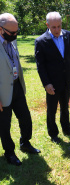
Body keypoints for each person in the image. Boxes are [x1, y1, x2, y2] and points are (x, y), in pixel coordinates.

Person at [0, 13, 40, 166]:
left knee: (25, 117)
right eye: (12, 33)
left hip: (17, 86)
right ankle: (9, 153)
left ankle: (25, 143)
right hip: (2, 92)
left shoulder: (12, 40)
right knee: (4, 125)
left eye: (17, 32)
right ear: (1, 29)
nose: (15, 35)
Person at [35, 12, 70, 144]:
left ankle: (67, 129)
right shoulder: (41, 41)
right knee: (52, 109)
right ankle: (53, 133)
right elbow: (40, 66)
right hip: (52, 82)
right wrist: (46, 83)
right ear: (47, 25)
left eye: (59, 26)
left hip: (66, 79)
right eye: (53, 27)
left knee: (65, 107)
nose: (57, 30)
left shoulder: (67, 35)